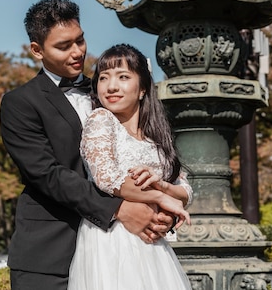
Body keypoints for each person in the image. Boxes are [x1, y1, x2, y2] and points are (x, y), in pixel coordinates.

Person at [0, 0, 175, 290]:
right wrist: (119, 209)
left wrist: (161, 207)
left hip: (120, 251)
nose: (77, 52)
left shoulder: (110, 91)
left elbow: (148, 152)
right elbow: (47, 174)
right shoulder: (19, 103)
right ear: (36, 50)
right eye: (63, 46)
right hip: (50, 254)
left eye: (80, 40)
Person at [68, 44, 193, 290]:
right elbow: (106, 178)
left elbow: (186, 190)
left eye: (123, 77)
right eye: (104, 78)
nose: (111, 86)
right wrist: (159, 196)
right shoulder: (100, 120)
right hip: (112, 239)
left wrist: (161, 184)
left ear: (143, 88)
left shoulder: (155, 138)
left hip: (153, 246)